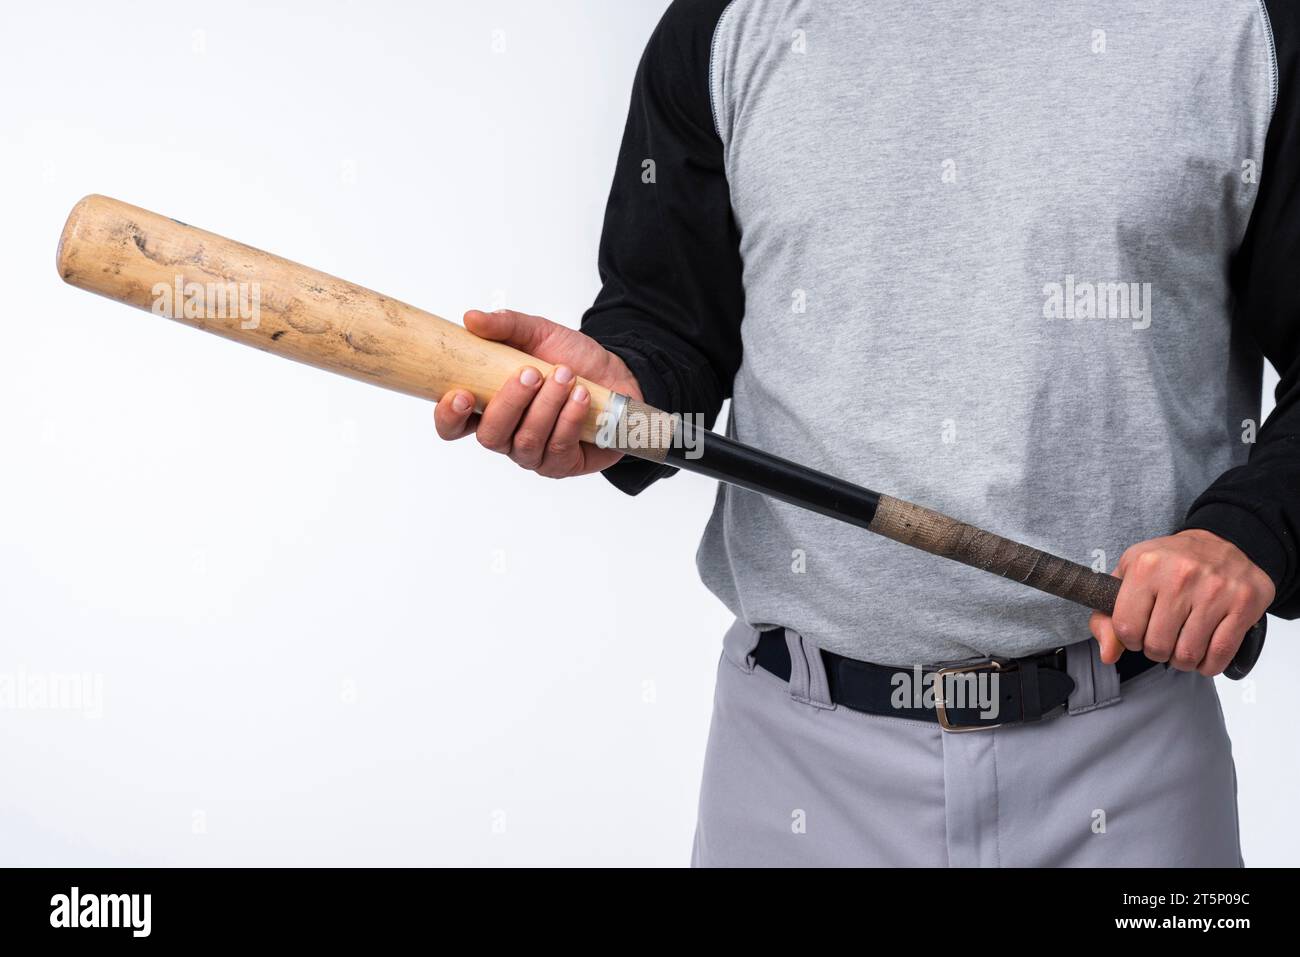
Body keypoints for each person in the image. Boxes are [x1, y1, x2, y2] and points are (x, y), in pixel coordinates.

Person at [434, 0, 1298, 866]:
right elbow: (669, 327)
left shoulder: (1246, 26)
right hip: (798, 772)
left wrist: (1248, 531)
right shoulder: (726, 20)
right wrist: (623, 394)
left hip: (1132, 774)